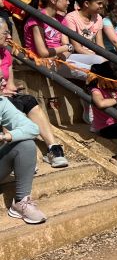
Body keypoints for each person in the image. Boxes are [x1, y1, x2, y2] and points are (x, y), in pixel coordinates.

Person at [0, 20, 68, 168]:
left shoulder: (5, 53)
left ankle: (53, 148)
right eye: (5, 32)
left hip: (4, 95)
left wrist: (11, 89)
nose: (9, 36)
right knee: (10, 105)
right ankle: (17, 157)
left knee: (29, 100)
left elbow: (9, 84)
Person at [0, 96, 46, 224]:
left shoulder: (2, 103)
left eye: (2, 79)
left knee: (25, 144)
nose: (3, 83)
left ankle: (21, 202)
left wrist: (6, 136)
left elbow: (32, 128)